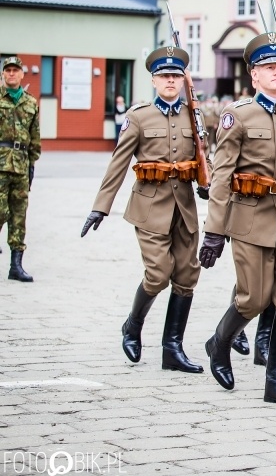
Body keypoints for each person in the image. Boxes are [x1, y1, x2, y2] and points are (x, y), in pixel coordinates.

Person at [199, 31, 276, 408]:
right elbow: (221, 178)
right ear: (254, 75)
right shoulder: (237, 115)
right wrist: (214, 231)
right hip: (250, 219)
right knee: (253, 299)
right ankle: (220, 343)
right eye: (269, 67)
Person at [81, 47, 205, 374]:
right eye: (164, 76)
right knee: (159, 273)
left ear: (183, 80)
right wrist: (101, 207)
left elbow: (208, 157)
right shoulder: (139, 116)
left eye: (175, 75)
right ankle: (132, 325)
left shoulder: (195, 115)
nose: (170, 81)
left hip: (185, 209)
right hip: (150, 208)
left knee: (187, 276)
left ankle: (172, 349)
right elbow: (118, 163)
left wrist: (210, 183)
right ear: (153, 80)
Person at [0, 56, 40, 281]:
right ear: (3, 74)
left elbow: (35, 136)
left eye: (16, 70)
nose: (12, 74)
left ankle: (15, 266)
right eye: (8, 70)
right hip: (0, 164)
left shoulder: (30, 102)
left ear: (22, 74)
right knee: (1, 211)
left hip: (21, 166)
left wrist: (32, 163)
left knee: (19, 215)